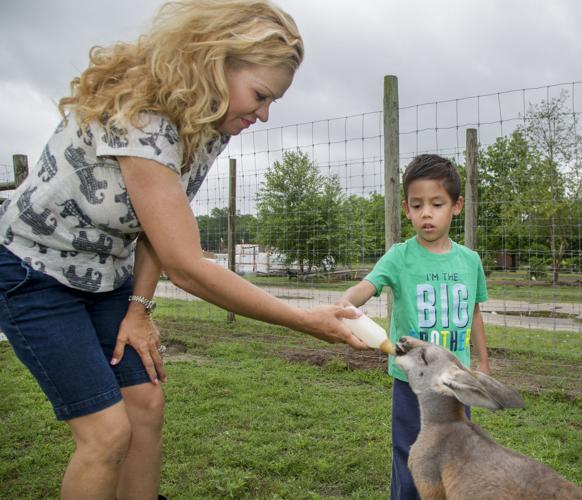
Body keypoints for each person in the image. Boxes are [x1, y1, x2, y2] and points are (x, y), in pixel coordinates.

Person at [0, 1, 367, 498]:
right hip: (32, 271)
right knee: (107, 435)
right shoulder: (141, 118)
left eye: (271, 103)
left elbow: (158, 229)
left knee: (146, 405)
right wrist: (303, 319)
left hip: (107, 274)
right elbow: (187, 266)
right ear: (215, 64)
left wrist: (139, 307)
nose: (262, 114)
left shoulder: (207, 125)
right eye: (260, 96)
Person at [337, 154, 491, 500]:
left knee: (453, 456)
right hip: (413, 382)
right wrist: (346, 302)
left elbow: (475, 312)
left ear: (456, 205)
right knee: (411, 454)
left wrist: (483, 363)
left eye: (436, 204)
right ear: (406, 208)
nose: (426, 213)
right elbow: (368, 285)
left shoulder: (470, 261)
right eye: (416, 204)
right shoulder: (400, 256)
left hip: (456, 380)